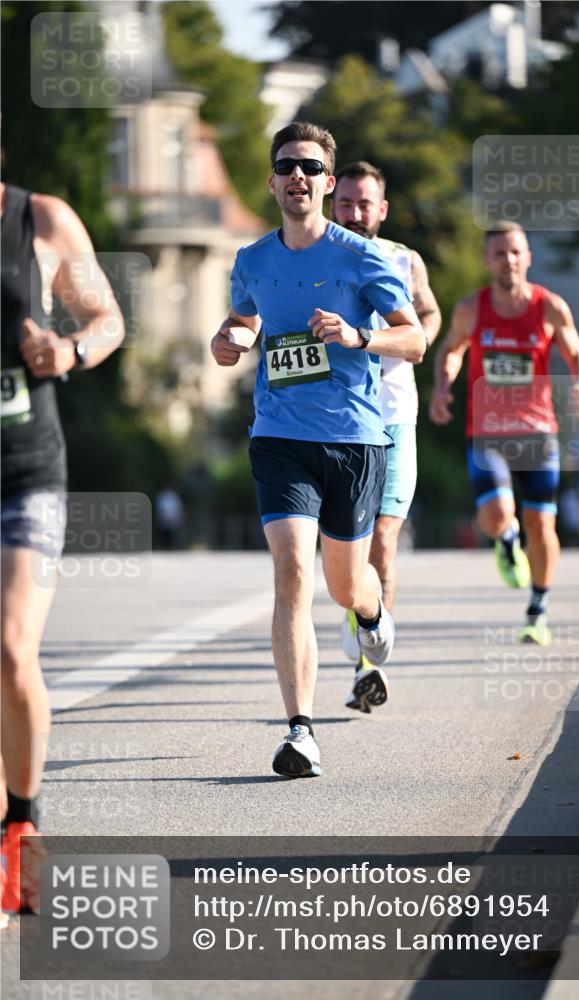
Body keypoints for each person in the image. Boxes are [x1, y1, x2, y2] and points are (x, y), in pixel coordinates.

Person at [210, 123, 424, 778]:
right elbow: (245, 318)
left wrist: (357, 336)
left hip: (355, 440)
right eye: (286, 165)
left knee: (342, 583)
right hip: (278, 436)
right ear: (273, 181)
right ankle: (299, 730)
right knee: (291, 572)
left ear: (327, 183)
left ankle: (371, 609)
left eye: (309, 166)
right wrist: (230, 338)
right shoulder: (251, 259)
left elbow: (412, 340)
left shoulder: (363, 257)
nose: (296, 175)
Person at [1, 181, 124, 915]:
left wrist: (69, 350)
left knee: (13, 649)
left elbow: (106, 318)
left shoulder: (38, 218)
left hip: (26, 474)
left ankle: (24, 825)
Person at [429, 220, 579, 646]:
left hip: (537, 431)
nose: (510, 260)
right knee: (499, 515)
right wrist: (444, 384)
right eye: (500, 253)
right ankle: (505, 539)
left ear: (528, 257)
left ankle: (538, 609)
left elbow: (578, 356)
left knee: (542, 522)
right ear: (488, 260)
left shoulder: (549, 306)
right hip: (487, 432)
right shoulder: (472, 308)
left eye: (516, 251)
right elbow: (450, 350)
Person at [331, 160, 441, 713]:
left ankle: (367, 663)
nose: (355, 212)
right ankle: (359, 612)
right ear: (334, 203)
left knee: (383, 540)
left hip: (395, 413)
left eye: (364, 203)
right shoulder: (317, 256)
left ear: (383, 209)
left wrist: (404, 342)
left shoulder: (404, 259)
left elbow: (428, 317)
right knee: (346, 545)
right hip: (338, 418)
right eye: (346, 202)